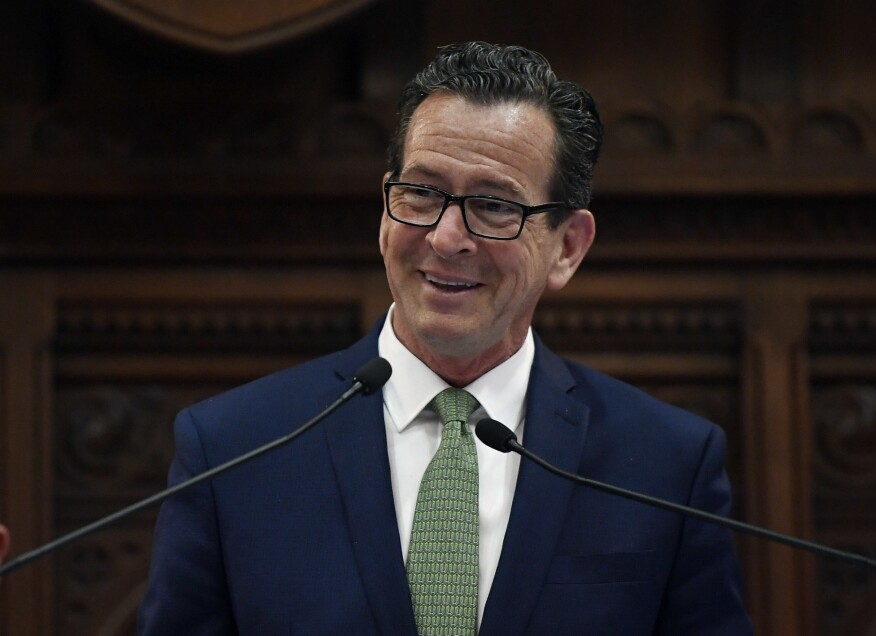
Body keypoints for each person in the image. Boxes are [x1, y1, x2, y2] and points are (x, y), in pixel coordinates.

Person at [139, 42, 753, 634]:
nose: (444, 237)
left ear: (567, 248)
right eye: (422, 193)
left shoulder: (664, 465)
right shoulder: (234, 450)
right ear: (385, 211)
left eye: (492, 205)